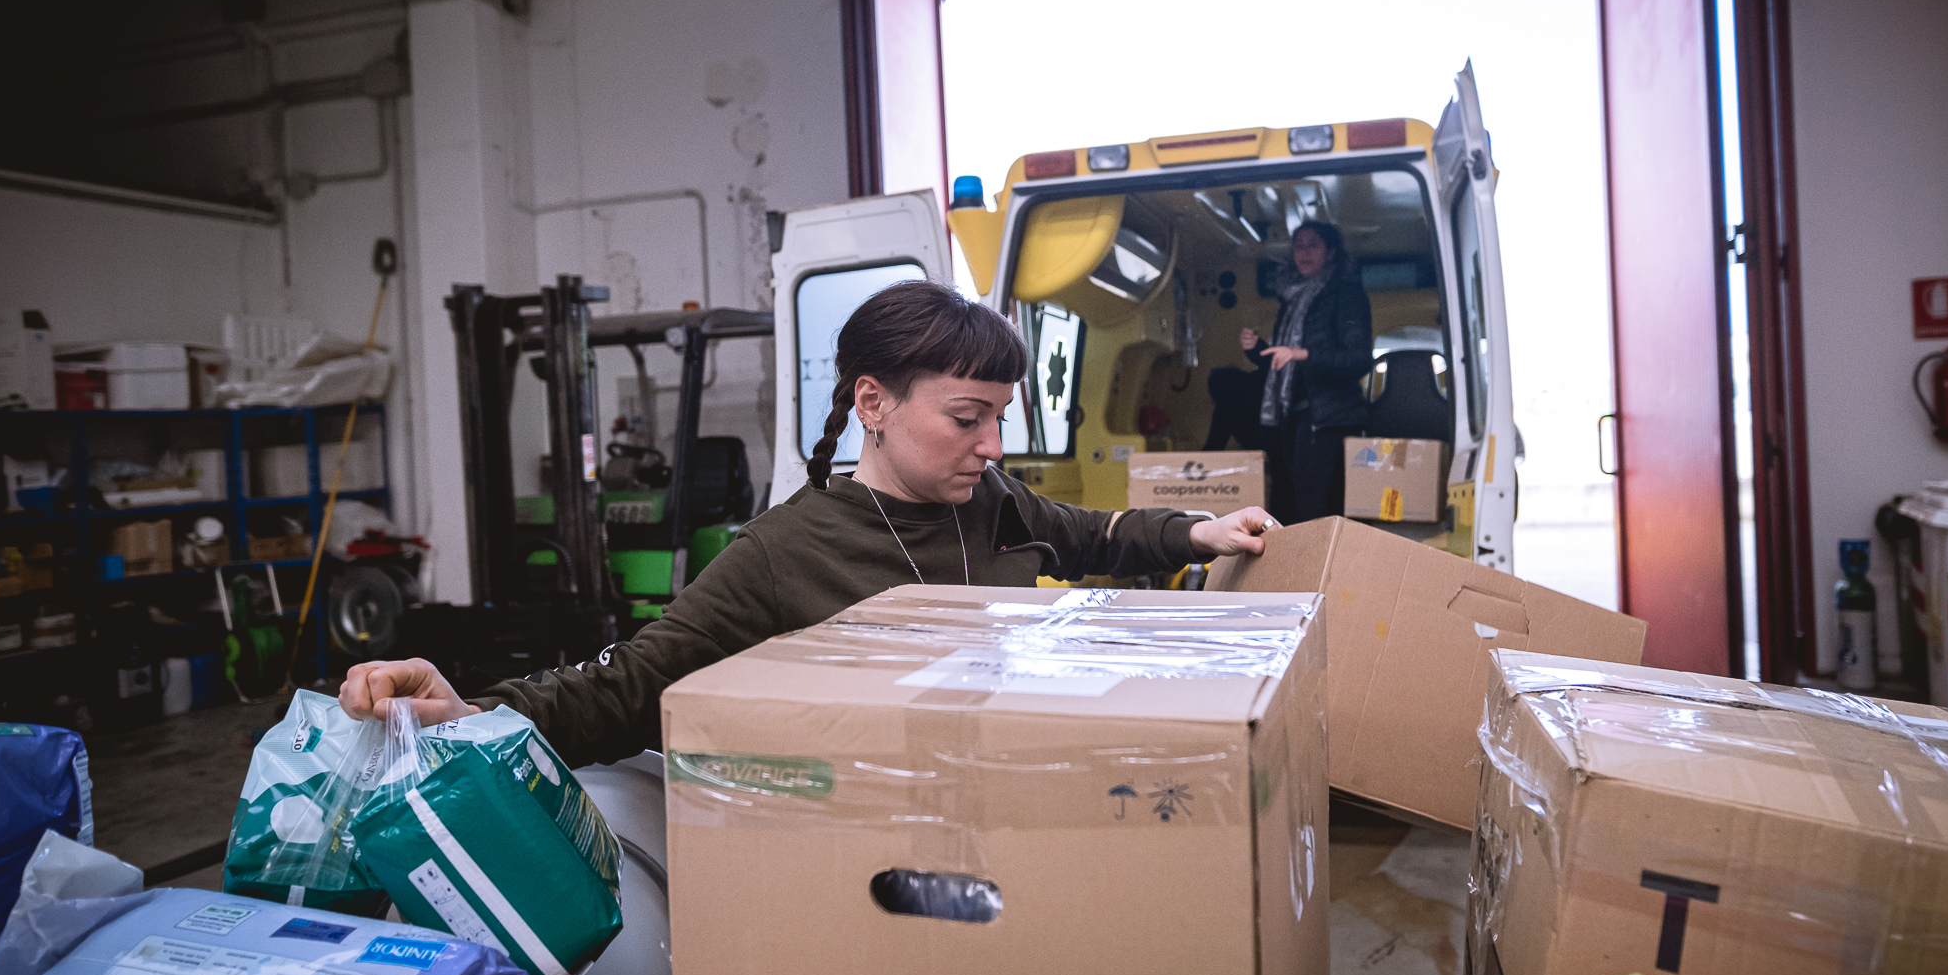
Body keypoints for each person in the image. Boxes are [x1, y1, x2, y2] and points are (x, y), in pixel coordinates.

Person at [338, 280, 1275, 765]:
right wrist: (470, 712)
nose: (992, 446)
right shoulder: (783, 553)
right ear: (873, 402)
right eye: (966, 418)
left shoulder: (993, 502)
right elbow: (629, 687)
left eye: (1000, 418)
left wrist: (1202, 533)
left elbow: (1097, 535)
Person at [1240, 221, 1372, 525]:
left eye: (1313, 245)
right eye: (1298, 246)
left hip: (1330, 419)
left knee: (1313, 507)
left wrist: (1303, 354)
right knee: (1292, 505)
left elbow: (1358, 359)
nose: (1304, 252)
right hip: (1296, 417)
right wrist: (1256, 349)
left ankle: (1320, 558)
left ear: (1331, 252)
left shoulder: (1345, 293)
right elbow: (1283, 364)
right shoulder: (1292, 299)